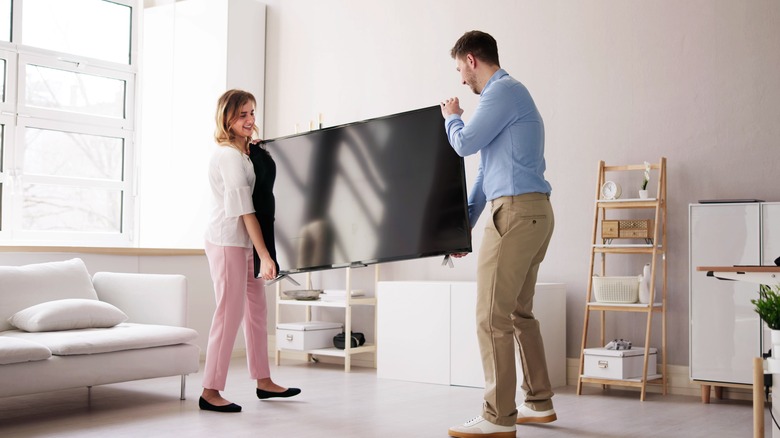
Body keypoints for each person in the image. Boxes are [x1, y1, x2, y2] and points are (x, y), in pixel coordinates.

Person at [440, 31, 556, 437]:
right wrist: (463, 228)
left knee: (490, 317)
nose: (460, 81)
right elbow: (486, 173)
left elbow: (465, 144)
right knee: (519, 313)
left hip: (516, 214)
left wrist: (452, 117)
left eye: (459, 69)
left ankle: (497, 416)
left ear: (472, 60)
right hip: (532, 212)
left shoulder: (501, 92)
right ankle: (538, 403)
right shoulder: (510, 98)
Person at [200, 89, 300, 413]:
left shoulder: (242, 153)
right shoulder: (227, 156)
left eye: (252, 113)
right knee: (229, 314)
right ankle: (210, 390)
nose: (250, 120)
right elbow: (245, 210)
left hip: (243, 243)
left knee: (256, 310)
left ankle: (264, 380)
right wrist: (266, 256)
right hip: (228, 239)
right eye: (242, 114)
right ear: (226, 117)